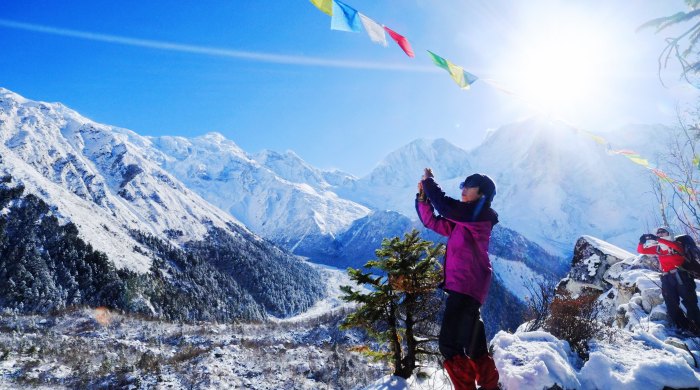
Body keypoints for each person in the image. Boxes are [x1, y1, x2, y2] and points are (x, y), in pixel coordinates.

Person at [416, 168, 499, 390]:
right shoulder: (466, 220)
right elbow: (433, 222)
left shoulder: (478, 215)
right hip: (468, 285)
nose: (462, 189)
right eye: (462, 184)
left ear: (482, 194)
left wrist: (429, 183)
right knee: (473, 344)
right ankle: (490, 386)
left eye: (468, 185)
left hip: (466, 284)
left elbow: (445, 207)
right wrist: (423, 199)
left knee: (449, 345)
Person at [638, 227, 700, 334]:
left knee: (690, 304)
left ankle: (697, 329)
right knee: (671, 306)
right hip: (667, 278)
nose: (660, 234)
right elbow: (641, 250)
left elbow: (673, 245)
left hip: (682, 277)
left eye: (663, 232)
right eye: (658, 232)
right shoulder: (658, 248)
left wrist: (657, 239)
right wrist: (641, 241)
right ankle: (683, 328)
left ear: (669, 233)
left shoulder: (677, 245)